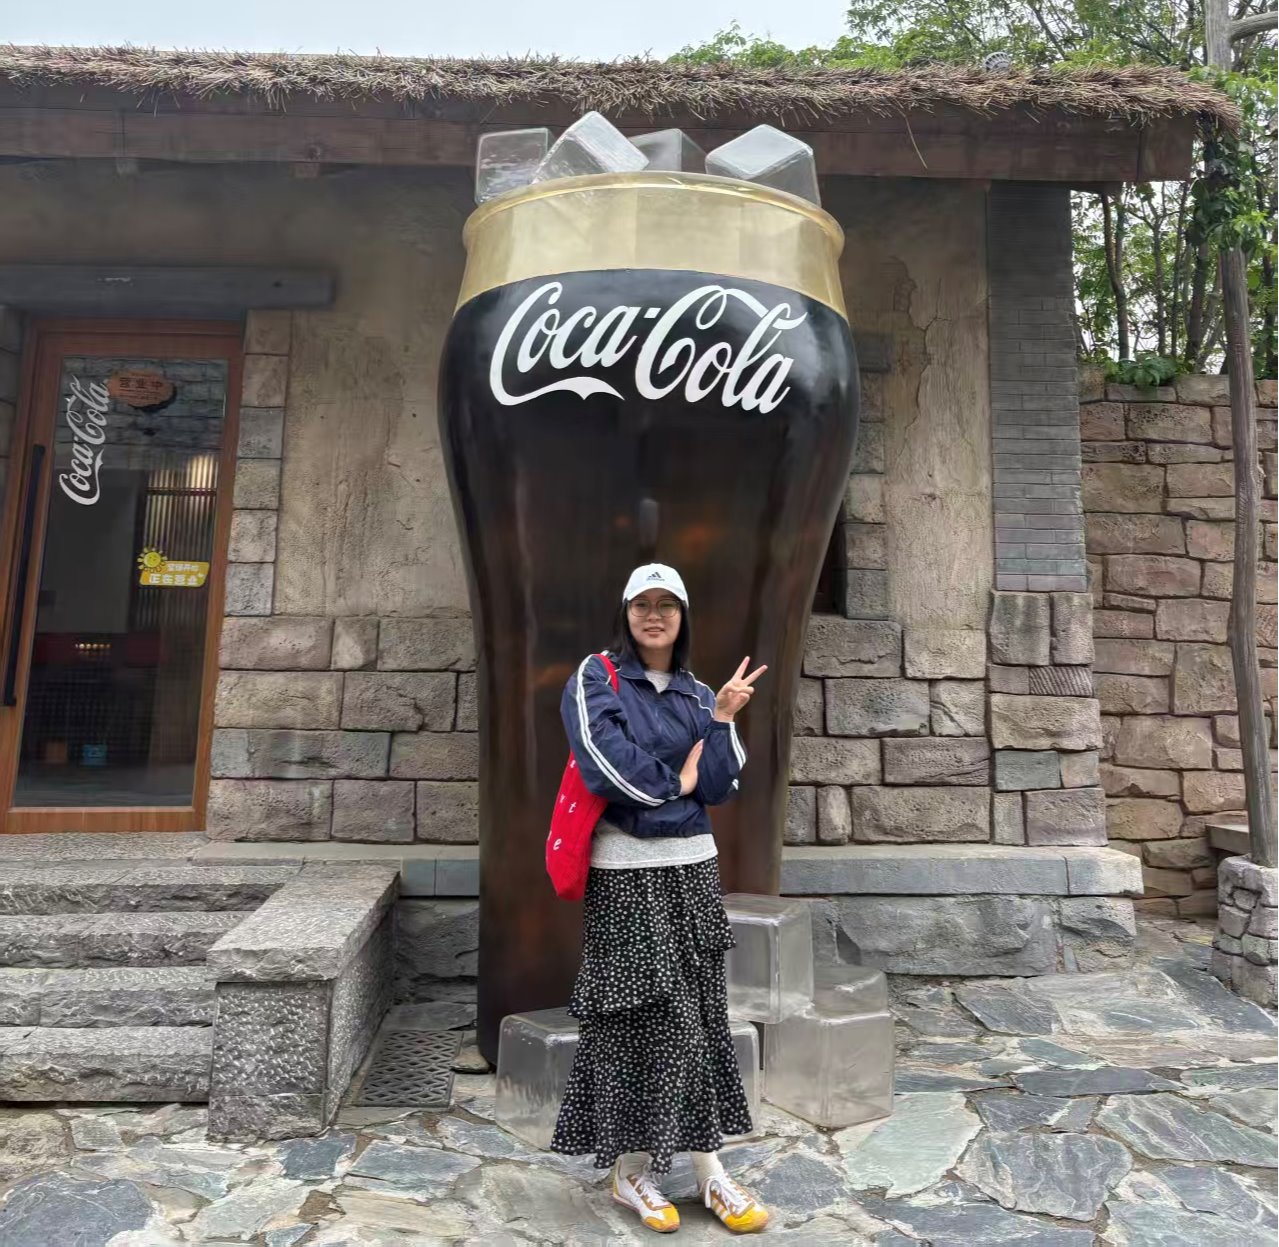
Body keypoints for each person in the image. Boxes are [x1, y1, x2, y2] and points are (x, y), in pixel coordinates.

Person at [549, 563, 771, 1235]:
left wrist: (722, 720)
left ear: (682, 617)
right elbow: (605, 764)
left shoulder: (702, 693)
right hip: (624, 873)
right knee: (635, 1018)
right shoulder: (596, 677)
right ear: (625, 614)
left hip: (692, 869)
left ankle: (707, 1170)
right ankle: (630, 1170)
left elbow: (722, 784)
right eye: (641, 604)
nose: (653, 615)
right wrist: (680, 782)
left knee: (699, 1016)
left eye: (666, 604)